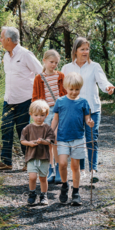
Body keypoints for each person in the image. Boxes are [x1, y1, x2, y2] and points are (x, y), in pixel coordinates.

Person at [61, 37, 115, 182]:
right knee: (78, 140)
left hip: (92, 108)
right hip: (74, 110)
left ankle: (93, 170)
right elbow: (62, 87)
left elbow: (103, 81)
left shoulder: (94, 66)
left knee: (92, 139)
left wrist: (108, 88)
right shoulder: (67, 68)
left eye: (87, 49)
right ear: (75, 51)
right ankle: (80, 170)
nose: (85, 52)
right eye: (82, 49)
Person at [0, 27, 43, 171]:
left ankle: (29, 162)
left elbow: (40, 72)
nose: (0, 40)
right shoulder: (5, 56)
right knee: (6, 128)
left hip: (25, 100)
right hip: (9, 100)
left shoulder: (25, 54)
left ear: (9, 40)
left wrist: (38, 97)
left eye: (2, 38)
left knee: (23, 131)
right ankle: (6, 162)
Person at [51, 72, 95, 206]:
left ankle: (76, 192)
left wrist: (89, 121)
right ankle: (65, 185)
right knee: (63, 163)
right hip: (63, 138)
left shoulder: (83, 102)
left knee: (75, 166)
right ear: (65, 88)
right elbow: (56, 118)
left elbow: (87, 117)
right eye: (71, 89)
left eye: (77, 89)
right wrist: (50, 131)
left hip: (78, 138)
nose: (74, 92)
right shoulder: (60, 101)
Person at [32, 49, 67, 184]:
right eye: (51, 62)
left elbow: (65, 94)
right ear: (44, 61)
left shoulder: (61, 76)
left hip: (59, 111)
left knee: (56, 140)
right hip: (45, 112)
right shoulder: (38, 78)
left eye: (56, 63)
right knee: (48, 142)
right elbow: (35, 98)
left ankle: (58, 169)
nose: (53, 65)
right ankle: (51, 169)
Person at [20, 100, 56, 205]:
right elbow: (22, 140)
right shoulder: (28, 128)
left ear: (46, 115)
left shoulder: (47, 128)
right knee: (32, 176)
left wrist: (44, 141)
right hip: (31, 157)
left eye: (42, 115)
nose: (39, 118)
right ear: (31, 114)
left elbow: (50, 141)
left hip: (44, 157)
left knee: (43, 177)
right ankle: (32, 193)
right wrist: (29, 143)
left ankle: (44, 195)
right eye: (36, 115)